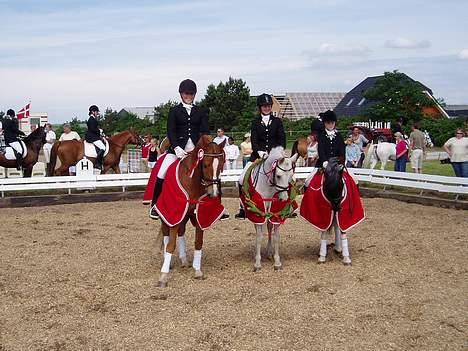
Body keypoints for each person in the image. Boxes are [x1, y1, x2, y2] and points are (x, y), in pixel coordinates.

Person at [149, 79, 209, 219]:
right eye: (186, 93)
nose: (189, 96)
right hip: (177, 150)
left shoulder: (200, 111)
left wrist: (203, 148)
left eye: (191, 93)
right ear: (181, 94)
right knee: (162, 173)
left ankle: (216, 207)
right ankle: (155, 205)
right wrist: (176, 147)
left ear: (194, 94)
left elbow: (205, 131)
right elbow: (171, 131)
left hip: (196, 152)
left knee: (212, 174)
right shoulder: (174, 111)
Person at [235, 93, 286, 219]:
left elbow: (282, 138)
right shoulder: (255, 122)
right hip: (258, 156)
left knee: (287, 177)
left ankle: (286, 205)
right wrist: (259, 151)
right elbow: (254, 139)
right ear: (260, 107)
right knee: (241, 179)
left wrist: (278, 152)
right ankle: (243, 207)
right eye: (264, 106)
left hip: (275, 157)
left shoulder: (277, 121)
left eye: (268, 105)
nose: (267, 108)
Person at [85, 105, 106, 170]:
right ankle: (97, 163)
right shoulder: (91, 119)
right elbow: (93, 129)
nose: (97, 113)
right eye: (96, 112)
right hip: (92, 137)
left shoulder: (93, 119)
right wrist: (99, 130)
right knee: (103, 147)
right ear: (92, 112)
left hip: (93, 136)